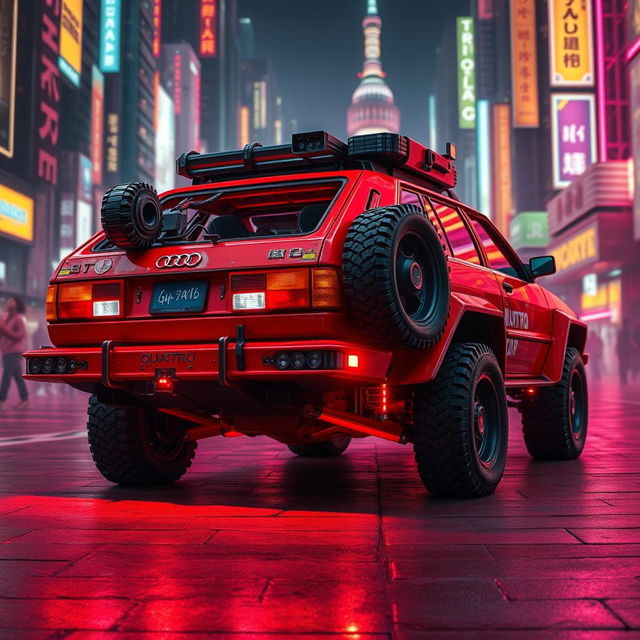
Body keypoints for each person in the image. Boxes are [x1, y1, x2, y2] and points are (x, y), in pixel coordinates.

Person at [0, 296, 29, 409]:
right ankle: (25, 399)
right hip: (6, 351)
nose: (8, 303)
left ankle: (1, 400)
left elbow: (21, 335)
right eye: (8, 301)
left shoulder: (18, 318)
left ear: (17, 304)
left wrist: (4, 329)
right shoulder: (6, 318)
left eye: (11, 301)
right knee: (17, 376)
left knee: (6, 375)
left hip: (14, 351)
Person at [616, 319, 632, 386]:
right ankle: (624, 379)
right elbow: (627, 342)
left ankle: (623, 379)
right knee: (624, 365)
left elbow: (619, 342)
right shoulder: (626, 331)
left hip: (621, 351)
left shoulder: (621, 331)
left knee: (622, 365)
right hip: (624, 351)